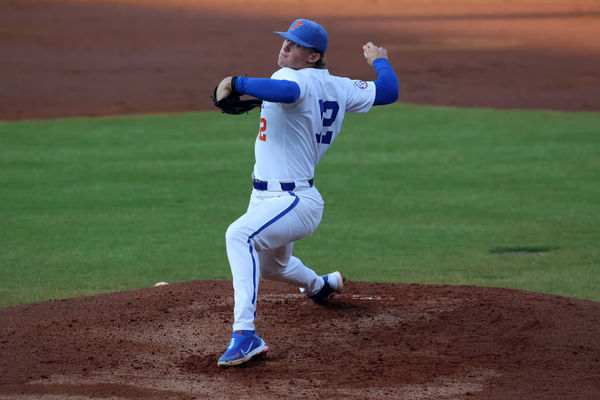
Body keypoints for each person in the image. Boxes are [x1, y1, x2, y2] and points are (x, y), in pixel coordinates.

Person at [214, 18, 399, 367]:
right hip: (277, 199)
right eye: (286, 40)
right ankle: (320, 286)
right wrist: (379, 61)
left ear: (313, 56)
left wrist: (236, 83)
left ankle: (245, 334)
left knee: (239, 236)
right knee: (273, 265)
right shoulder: (341, 87)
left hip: (293, 201)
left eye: (295, 44)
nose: (285, 46)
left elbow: (289, 92)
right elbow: (388, 91)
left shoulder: (289, 79)